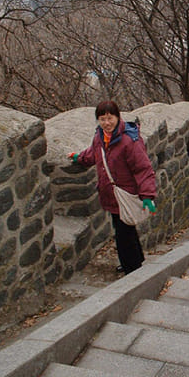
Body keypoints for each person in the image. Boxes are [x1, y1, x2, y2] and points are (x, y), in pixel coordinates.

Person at [68, 101, 157, 275]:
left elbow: (143, 168)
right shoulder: (100, 136)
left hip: (124, 193)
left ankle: (132, 270)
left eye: (110, 118)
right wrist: (79, 158)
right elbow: (93, 153)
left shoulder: (129, 140)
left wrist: (147, 195)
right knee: (125, 230)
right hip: (110, 194)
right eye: (102, 119)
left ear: (118, 117)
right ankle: (135, 261)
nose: (106, 123)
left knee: (124, 233)